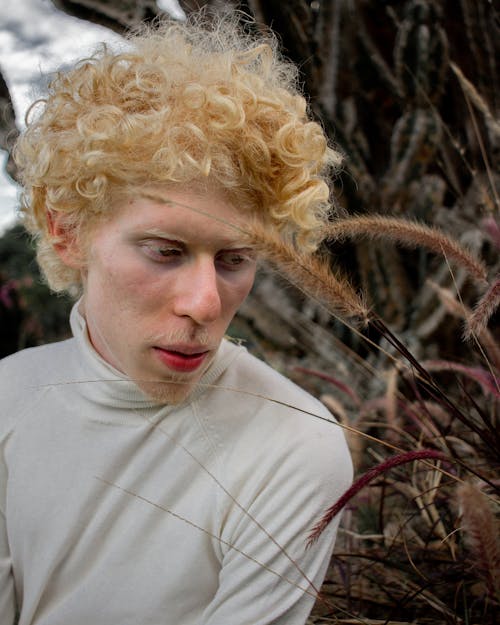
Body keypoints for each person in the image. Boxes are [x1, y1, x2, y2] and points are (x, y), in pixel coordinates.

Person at [0, 11, 353, 625]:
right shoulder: (7, 399)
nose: (205, 303)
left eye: (235, 259)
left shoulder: (295, 444)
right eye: (166, 251)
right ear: (67, 233)